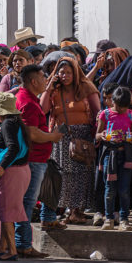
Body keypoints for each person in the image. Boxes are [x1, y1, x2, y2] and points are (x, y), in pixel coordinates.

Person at [40, 57, 100, 225]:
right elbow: (43, 109)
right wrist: (48, 88)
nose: (65, 75)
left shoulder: (87, 88)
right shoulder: (54, 90)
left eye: (68, 72)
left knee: (82, 174)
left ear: (75, 73)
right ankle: (67, 210)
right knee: (64, 174)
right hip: (61, 137)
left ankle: (77, 210)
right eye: (61, 72)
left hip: (83, 137)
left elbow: (98, 113)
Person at [14, 65, 64, 256]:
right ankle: (23, 244)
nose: (46, 80)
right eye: (44, 77)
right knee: (28, 202)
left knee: (27, 201)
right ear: (33, 81)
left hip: (35, 159)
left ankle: (23, 243)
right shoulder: (27, 102)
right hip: (33, 160)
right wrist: (52, 137)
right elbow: (32, 133)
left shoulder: (27, 99)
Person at [0, 92, 31, 261]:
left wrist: (2, 166)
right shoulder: (15, 123)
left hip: (12, 173)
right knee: (6, 210)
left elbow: (13, 148)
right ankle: (2, 246)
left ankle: (11, 250)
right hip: (20, 171)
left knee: (8, 212)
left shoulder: (8, 124)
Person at [94, 86, 132, 230]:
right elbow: (97, 135)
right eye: (119, 107)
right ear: (113, 102)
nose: (121, 110)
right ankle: (109, 218)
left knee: (124, 189)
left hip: (126, 156)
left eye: (124, 108)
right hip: (109, 155)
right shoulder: (105, 115)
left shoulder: (131, 116)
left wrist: (130, 137)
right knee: (109, 189)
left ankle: (124, 219)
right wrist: (104, 134)